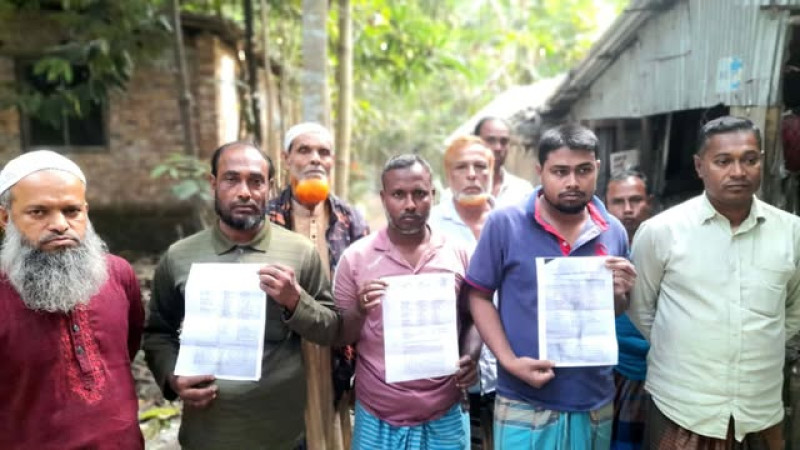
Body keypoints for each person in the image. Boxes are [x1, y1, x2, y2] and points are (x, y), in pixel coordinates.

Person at [144, 141, 344, 449]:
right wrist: (172, 376)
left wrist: (295, 302)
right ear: (213, 184)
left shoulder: (299, 252)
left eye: (256, 181)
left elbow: (331, 328)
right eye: (231, 179)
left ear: (269, 187)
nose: (244, 192)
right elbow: (158, 333)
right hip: (207, 435)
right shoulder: (180, 257)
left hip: (283, 436)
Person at [629, 116, 800, 449]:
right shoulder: (662, 232)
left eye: (749, 160)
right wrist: (685, 345)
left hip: (759, 411)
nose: (738, 172)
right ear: (699, 166)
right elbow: (641, 308)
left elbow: (793, 309)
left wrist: (756, 343)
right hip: (683, 407)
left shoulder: (791, 233)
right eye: (723, 161)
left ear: (762, 161)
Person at [467, 124, 637, 449]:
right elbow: (479, 295)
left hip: (594, 397)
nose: (572, 182)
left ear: (597, 168)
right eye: (560, 171)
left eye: (583, 170)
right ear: (540, 171)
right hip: (524, 396)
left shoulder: (613, 230)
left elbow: (615, 309)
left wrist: (620, 295)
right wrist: (509, 361)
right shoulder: (506, 224)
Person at [0, 150, 144, 448]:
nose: (60, 224)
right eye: (38, 212)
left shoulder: (119, 274)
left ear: (86, 212)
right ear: (5, 218)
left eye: (71, 211)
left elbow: (128, 347)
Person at [334, 154, 479, 450]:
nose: (410, 204)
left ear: (432, 195)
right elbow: (340, 336)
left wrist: (471, 357)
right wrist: (360, 309)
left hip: (446, 413)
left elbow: (475, 317)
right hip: (377, 413)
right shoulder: (356, 258)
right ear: (383, 198)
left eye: (419, 194)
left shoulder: (459, 253)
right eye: (399, 194)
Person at [267, 122, 369, 448]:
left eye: (323, 152)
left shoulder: (351, 220)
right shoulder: (266, 219)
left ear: (332, 161)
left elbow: (364, 296)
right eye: (304, 150)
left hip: (336, 353)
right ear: (286, 159)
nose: (315, 159)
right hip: (283, 358)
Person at [429, 136, 497, 448]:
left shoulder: (512, 221)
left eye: (480, 166)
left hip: (509, 370)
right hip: (452, 372)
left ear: (492, 172)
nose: (472, 174)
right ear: (448, 175)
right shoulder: (430, 226)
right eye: (462, 167)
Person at [604, 170, 654, 450]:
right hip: (610, 367)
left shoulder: (667, 247)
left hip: (657, 369)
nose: (627, 209)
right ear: (605, 205)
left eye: (635, 200)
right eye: (618, 201)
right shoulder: (597, 247)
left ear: (650, 202)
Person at [473, 116, 533, 206]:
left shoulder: (523, 191)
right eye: (490, 140)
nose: (498, 148)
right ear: (475, 143)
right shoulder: (457, 191)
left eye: (504, 141)